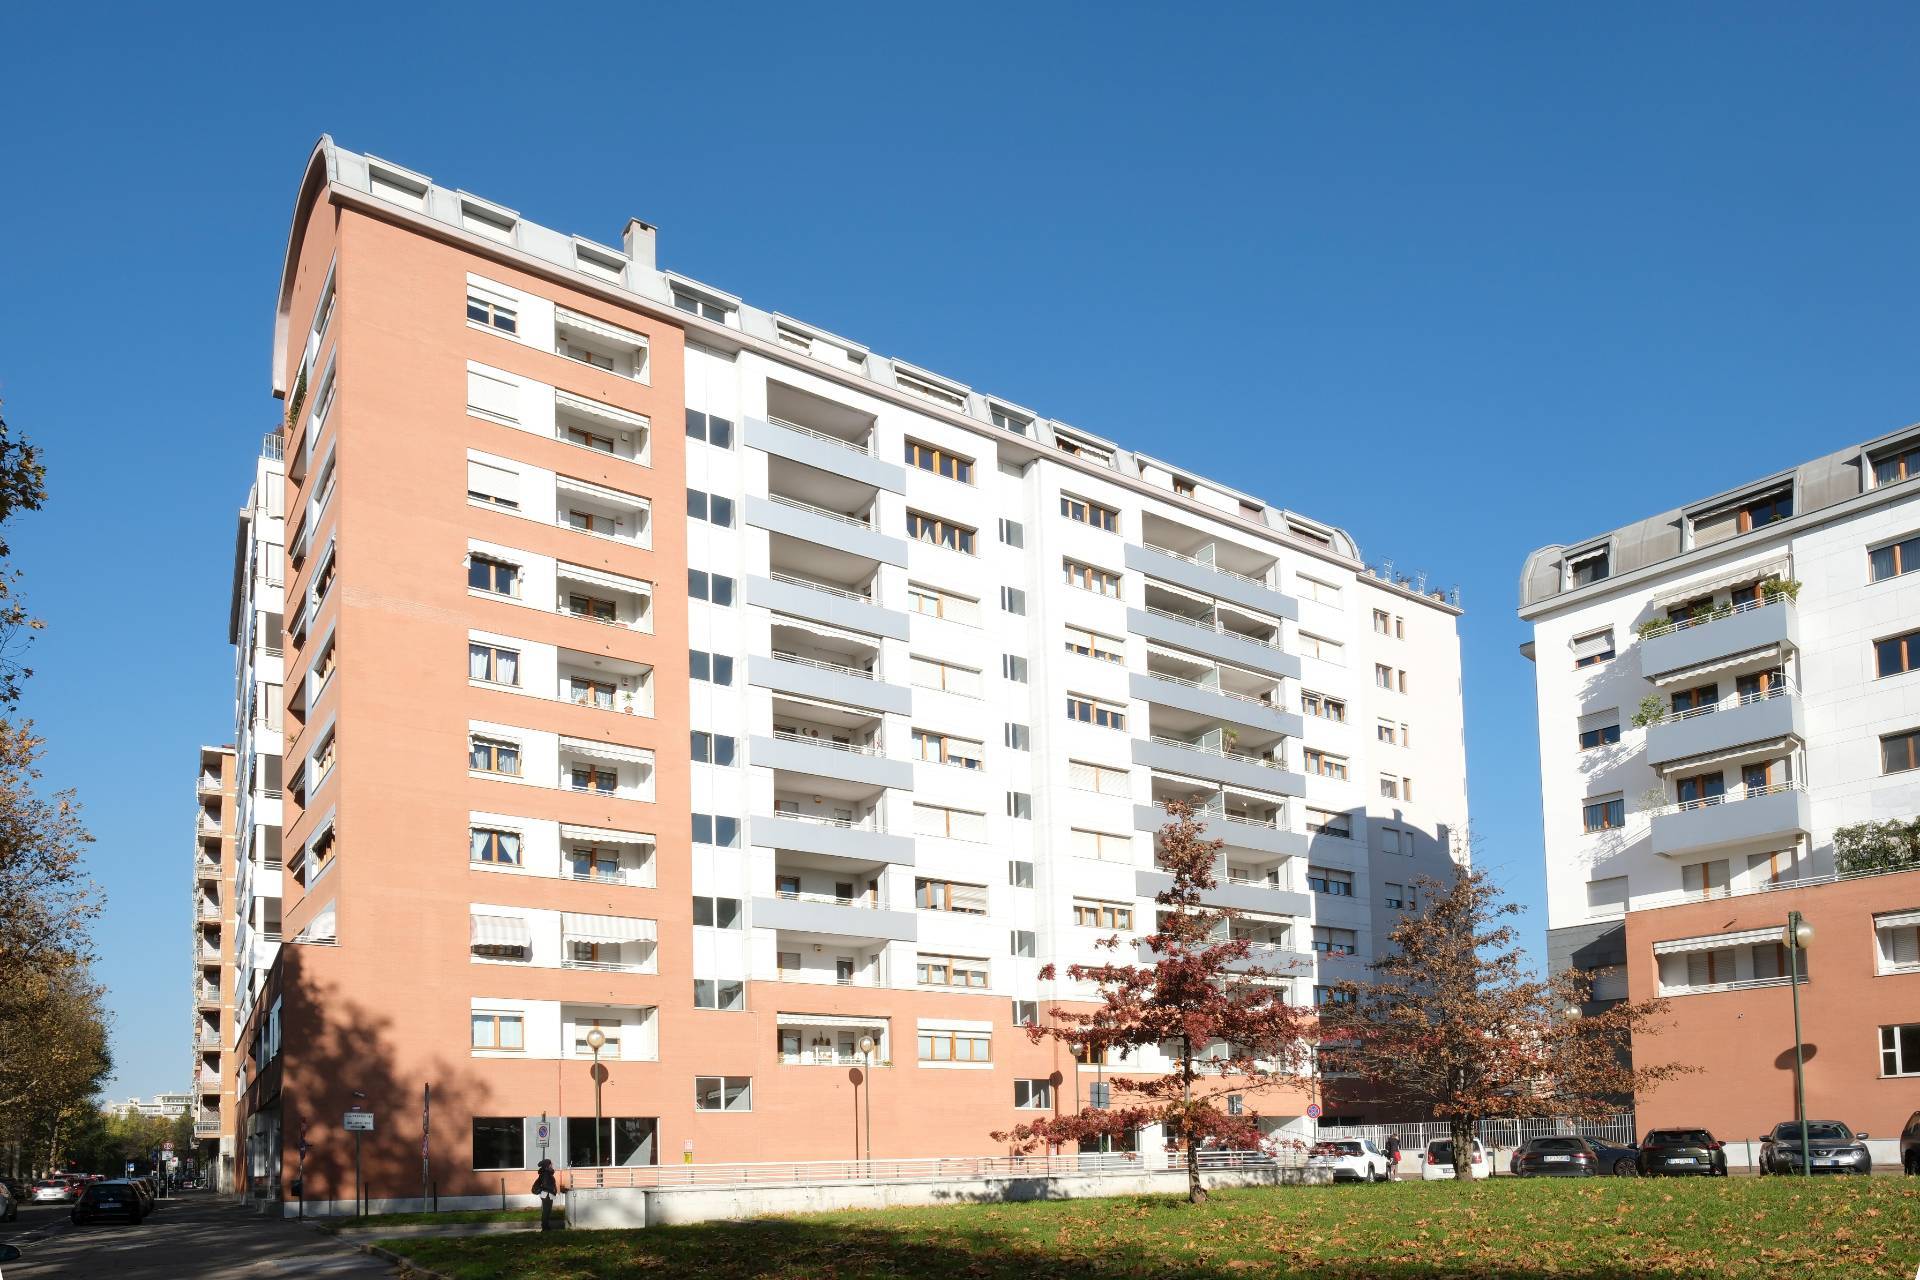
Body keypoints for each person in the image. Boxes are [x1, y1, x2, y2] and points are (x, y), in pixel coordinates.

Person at [532, 1158, 559, 1230]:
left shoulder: (546, 1173)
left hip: (547, 1194)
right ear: (547, 1165)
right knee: (546, 1211)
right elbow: (545, 1185)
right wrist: (552, 1190)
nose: (552, 1165)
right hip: (547, 1194)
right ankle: (545, 1227)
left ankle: (546, 1226)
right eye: (550, 1164)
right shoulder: (546, 1173)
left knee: (547, 1211)